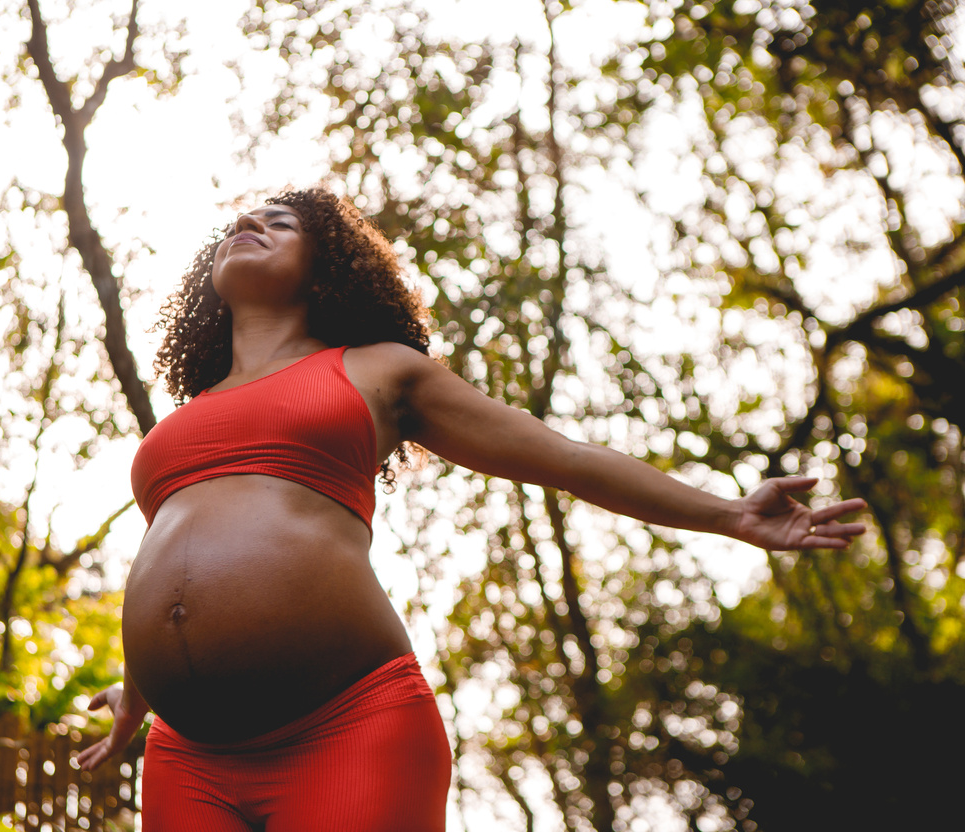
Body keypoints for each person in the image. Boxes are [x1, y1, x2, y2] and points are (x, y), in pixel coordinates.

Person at [75, 187, 866, 830]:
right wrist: (139, 689)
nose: (247, 223)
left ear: (325, 271)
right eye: (240, 221)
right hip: (188, 755)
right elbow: (180, 558)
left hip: (346, 728)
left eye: (278, 222)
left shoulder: (380, 370)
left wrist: (727, 514)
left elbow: (566, 459)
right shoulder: (180, 422)